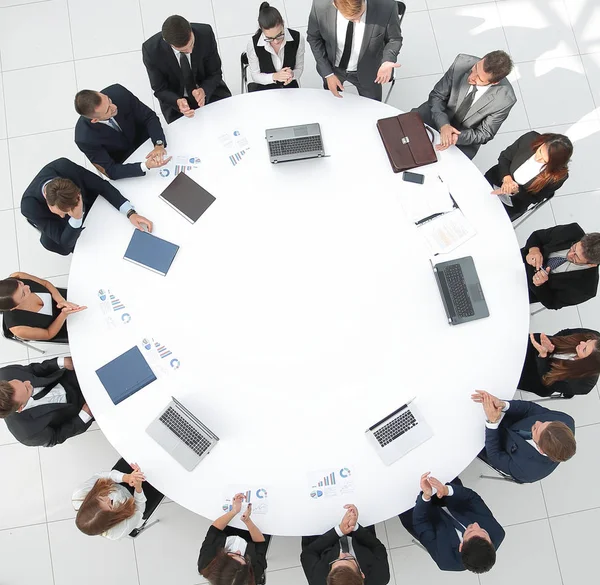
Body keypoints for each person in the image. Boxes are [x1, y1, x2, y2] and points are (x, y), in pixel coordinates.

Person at [21, 158, 153, 256]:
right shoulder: (29, 206)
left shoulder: (64, 167)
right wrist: (76, 217)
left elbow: (102, 186)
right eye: (62, 212)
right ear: (49, 205)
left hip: (92, 208)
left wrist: (130, 213)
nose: (62, 215)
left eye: (69, 210)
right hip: (66, 231)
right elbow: (65, 243)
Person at [414, 51, 516, 159]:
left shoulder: (505, 100)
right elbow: (437, 96)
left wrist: (456, 138)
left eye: (479, 79)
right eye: (475, 68)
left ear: (494, 82)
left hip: (463, 138)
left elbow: (485, 133)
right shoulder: (462, 62)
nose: (471, 77)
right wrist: (444, 125)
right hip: (434, 115)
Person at [399, 474, 504, 573]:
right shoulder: (497, 532)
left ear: (461, 546)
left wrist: (425, 497)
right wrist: (447, 490)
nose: (476, 524)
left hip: (421, 514)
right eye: (483, 531)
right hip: (451, 496)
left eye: (470, 530)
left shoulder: (445, 559)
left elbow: (420, 523)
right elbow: (472, 498)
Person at [307, 0, 403, 102]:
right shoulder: (320, 5)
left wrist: (387, 61)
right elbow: (314, 38)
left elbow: (394, 39)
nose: (358, 21)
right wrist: (328, 74)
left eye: (361, 15)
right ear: (335, 5)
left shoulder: (387, 6)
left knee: (372, 109)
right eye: (352, 19)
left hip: (369, 70)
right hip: (332, 69)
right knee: (333, 105)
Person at [142, 15, 231, 124]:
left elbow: (215, 72)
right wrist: (177, 102)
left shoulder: (205, 33)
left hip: (209, 90)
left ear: (190, 29)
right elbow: (159, 89)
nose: (190, 51)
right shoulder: (151, 51)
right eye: (184, 51)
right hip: (177, 101)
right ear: (167, 42)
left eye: (192, 44)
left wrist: (204, 90)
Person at [472, 390, 576, 483]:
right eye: (545, 422)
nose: (537, 422)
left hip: (488, 444)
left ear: (541, 450)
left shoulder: (527, 472)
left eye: (535, 429)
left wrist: (492, 422)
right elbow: (531, 409)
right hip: (507, 418)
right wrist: (503, 404)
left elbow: (495, 456)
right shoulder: (566, 420)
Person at [74, 84, 171, 180]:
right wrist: (145, 166)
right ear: (95, 120)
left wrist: (159, 144)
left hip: (147, 140)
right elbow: (111, 170)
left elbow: (149, 117)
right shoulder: (84, 138)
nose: (114, 107)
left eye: (109, 100)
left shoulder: (118, 93)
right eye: (108, 110)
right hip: (126, 161)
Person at [0, 357, 93, 447]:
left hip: (68, 377)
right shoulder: (26, 433)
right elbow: (56, 436)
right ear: (20, 408)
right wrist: (84, 416)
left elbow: (34, 370)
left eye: (19, 381)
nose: (28, 382)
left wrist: (60, 362)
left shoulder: (4, 374)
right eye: (27, 389)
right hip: (79, 409)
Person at [484, 132, 573, 219]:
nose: (538, 158)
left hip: (514, 202)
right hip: (495, 178)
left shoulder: (558, 177)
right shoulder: (529, 139)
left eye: (544, 161)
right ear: (543, 143)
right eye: (540, 151)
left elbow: (536, 198)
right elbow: (505, 157)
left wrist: (516, 191)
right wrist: (507, 178)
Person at [301, 504, 390, 585]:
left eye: (335, 561)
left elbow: (308, 553)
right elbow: (377, 547)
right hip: (359, 527)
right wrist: (355, 527)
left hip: (320, 531)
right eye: (347, 558)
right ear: (361, 574)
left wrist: (338, 531)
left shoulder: (317, 581)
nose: (341, 554)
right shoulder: (380, 577)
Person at [73, 460, 162, 540]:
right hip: (136, 501)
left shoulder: (79, 494)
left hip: (118, 479)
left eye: (101, 498)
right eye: (110, 505)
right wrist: (138, 487)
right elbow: (139, 508)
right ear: (111, 518)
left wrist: (126, 478)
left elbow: (101, 476)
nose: (108, 498)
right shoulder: (118, 531)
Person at [522, 223, 600, 310]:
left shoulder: (586, 289)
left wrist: (541, 285)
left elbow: (552, 303)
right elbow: (538, 236)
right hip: (521, 260)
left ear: (592, 264)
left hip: (526, 290)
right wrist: (534, 250)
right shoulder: (572, 230)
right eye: (574, 248)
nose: (570, 254)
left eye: (576, 257)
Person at [198, 492, 270, 585]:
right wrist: (247, 521)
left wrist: (234, 511)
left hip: (227, 526)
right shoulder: (254, 573)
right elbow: (260, 543)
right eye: (243, 558)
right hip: (255, 531)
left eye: (233, 554)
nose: (239, 552)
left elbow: (215, 530)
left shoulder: (207, 563)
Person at [0, 272, 86, 342]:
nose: (27, 287)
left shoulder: (17, 276)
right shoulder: (18, 329)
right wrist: (63, 314)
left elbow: (45, 284)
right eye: (23, 293)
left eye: (20, 283)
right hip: (64, 327)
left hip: (64, 297)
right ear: (13, 308)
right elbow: (48, 334)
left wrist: (60, 300)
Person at [519, 329, 600, 398]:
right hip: (542, 346)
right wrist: (551, 344)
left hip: (540, 378)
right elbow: (565, 333)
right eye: (588, 341)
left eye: (584, 349)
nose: (582, 343)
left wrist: (544, 356)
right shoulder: (594, 336)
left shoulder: (585, 384)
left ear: (588, 364)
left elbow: (550, 382)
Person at [246, 2, 305, 92]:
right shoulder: (253, 43)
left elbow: (299, 69)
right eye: (269, 38)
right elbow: (255, 76)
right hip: (265, 92)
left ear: (283, 24)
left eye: (279, 35)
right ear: (262, 30)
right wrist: (275, 76)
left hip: (291, 90)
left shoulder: (297, 38)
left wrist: (292, 74)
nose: (276, 41)